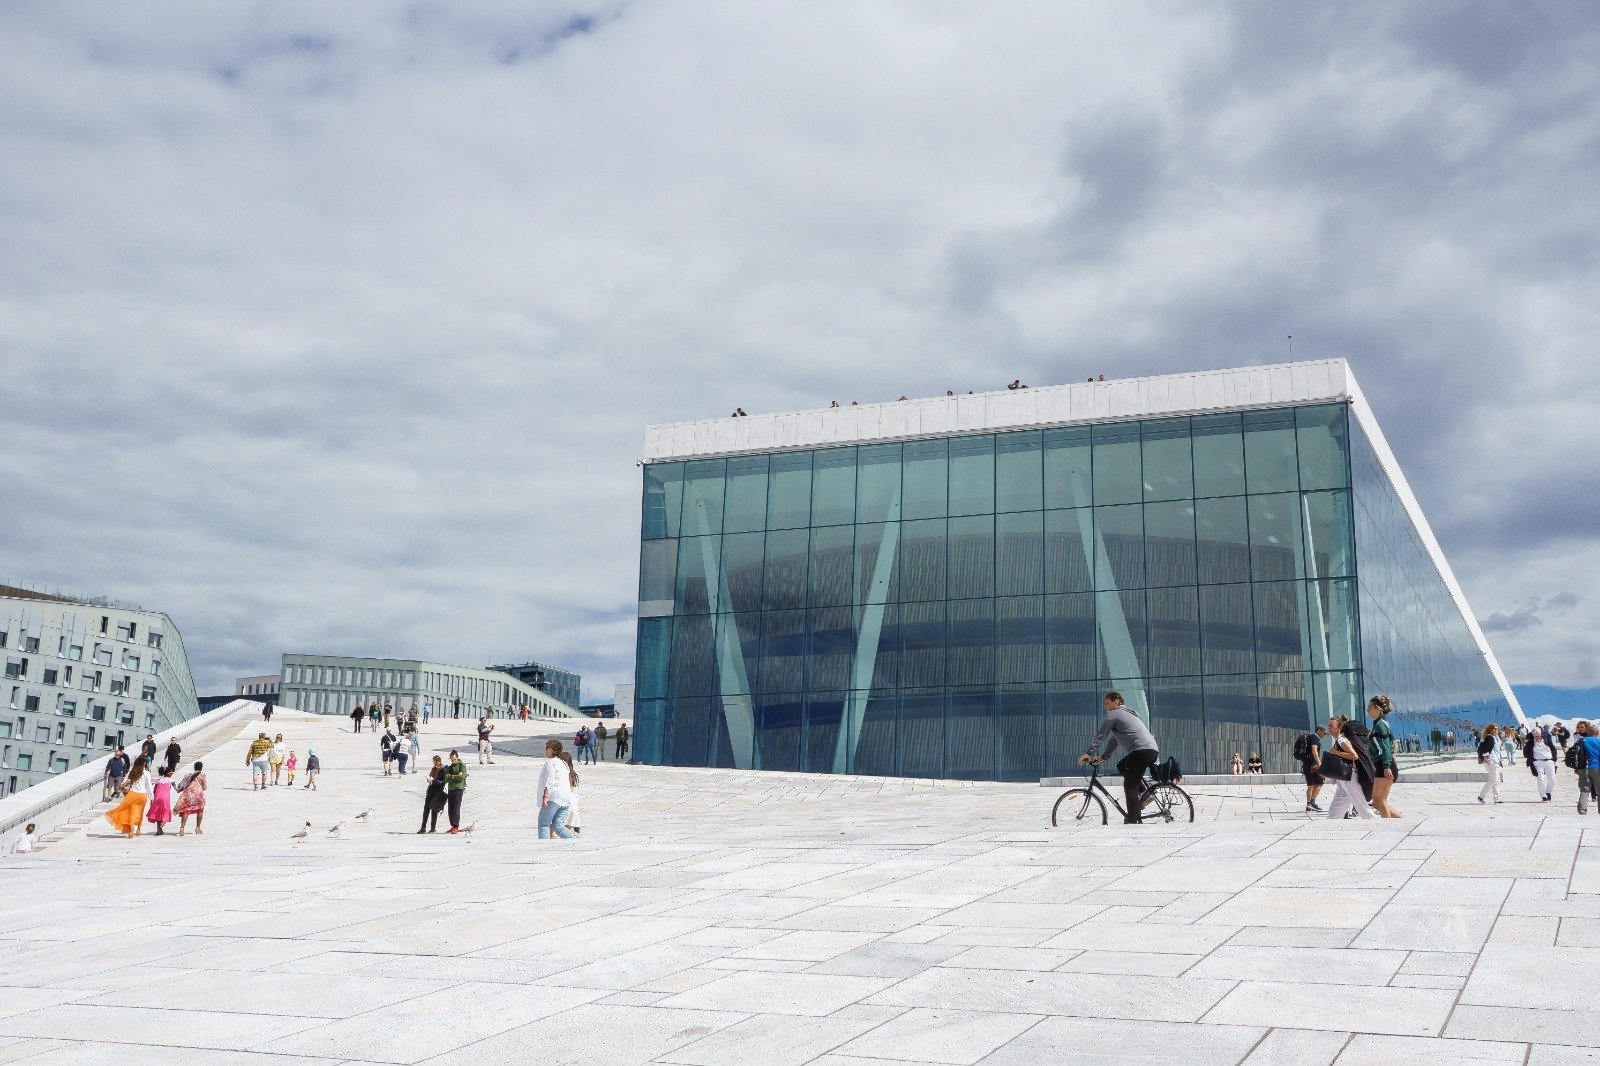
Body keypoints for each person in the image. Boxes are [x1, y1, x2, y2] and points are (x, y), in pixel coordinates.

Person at [1078, 691, 1159, 825]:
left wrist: (1088, 753)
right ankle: (1145, 795)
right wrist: (1105, 756)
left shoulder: (1114, 714)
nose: (1105, 706)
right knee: (1122, 766)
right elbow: (1114, 740)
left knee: (1130, 787)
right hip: (1151, 750)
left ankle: (1132, 820)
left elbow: (1101, 735)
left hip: (1140, 751)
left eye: (1107, 703)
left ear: (1116, 702)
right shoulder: (1129, 714)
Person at [1324, 716, 1378, 820]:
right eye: (1328, 725)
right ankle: (1330, 829)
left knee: (1363, 808)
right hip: (1344, 779)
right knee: (1334, 810)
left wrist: (1336, 752)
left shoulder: (1341, 740)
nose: (1329, 727)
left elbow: (1354, 756)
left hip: (1349, 779)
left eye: (1331, 725)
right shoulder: (1339, 740)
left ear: (1339, 727)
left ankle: (1378, 827)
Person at [1367, 696, 1401, 818]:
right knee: (1377, 803)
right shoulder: (1379, 724)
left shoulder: (1380, 725)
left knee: (1379, 802)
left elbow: (1386, 746)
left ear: (1378, 708)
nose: (1368, 710)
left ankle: (1388, 830)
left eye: (1370, 707)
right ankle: (1403, 823)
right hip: (1382, 766)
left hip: (1384, 766)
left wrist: (1387, 766)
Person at [537, 739, 575, 840]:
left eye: (547, 747)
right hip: (565, 798)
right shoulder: (563, 763)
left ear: (553, 749)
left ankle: (543, 849)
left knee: (543, 825)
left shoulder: (551, 762)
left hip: (553, 797)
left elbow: (550, 781)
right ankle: (574, 842)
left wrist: (545, 797)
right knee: (559, 826)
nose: (545, 750)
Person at [106, 757, 151, 837]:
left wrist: (127, 784)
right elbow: (149, 787)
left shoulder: (131, 772)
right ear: (144, 764)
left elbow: (123, 784)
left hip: (132, 794)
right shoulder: (147, 773)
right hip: (142, 795)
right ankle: (139, 829)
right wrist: (152, 798)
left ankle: (130, 830)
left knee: (130, 811)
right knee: (140, 812)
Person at [1297, 725, 1328, 812]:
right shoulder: (1315, 737)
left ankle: (1308, 805)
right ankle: (1312, 803)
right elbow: (1314, 750)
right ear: (1319, 731)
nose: (1324, 735)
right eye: (1324, 733)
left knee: (1310, 785)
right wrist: (1319, 762)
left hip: (1306, 764)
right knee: (1319, 783)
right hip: (1313, 765)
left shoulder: (1310, 737)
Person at [1526, 727, 1557, 801]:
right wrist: (1532, 762)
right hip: (1538, 762)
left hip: (1549, 761)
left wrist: (1554, 758)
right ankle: (1543, 796)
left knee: (1552, 779)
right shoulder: (1530, 742)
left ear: (1541, 734)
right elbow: (1526, 753)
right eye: (1535, 735)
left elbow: (1553, 749)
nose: (1536, 736)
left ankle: (1548, 792)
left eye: (1538, 734)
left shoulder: (1546, 740)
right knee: (1540, 779)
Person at [176, 761, 207, 835]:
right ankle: (198, 828)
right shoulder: (202, 775)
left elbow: (181, 784)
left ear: (194, 767)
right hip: (198, 796)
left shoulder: (188, 775)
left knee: (186, 811)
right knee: (200, 811)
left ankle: (182, 828)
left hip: (188, 795)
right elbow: (205, 787)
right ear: (201, 768)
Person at [418, 756, 447, 833]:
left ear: (439, 761)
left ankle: (433, 828)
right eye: (433, 762)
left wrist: (434, 781)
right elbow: (431, 777)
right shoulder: (433, 769)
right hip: (430, 790)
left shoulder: (443, 770)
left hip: (437, 792)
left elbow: (443, 783)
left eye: (435, 762)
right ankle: (423, 827)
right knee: (426, 809)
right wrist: (429, 779)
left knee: (434, 809)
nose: (434, 763)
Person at [1477, 724, 1503, 804]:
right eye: (1494, 729)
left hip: (1495, 760)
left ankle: (1497, 799)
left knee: (1497, 780)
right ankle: (1481, 796)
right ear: (1490, 729)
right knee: (1494, 779)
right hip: (1490, 760)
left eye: (1497, 729)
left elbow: (1497, 751)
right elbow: (1486, 748)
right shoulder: (1489, 737)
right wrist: (1485, 758)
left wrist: (1500, 760)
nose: (1496, 730)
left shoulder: (1496, 738)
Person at [444, 750, 468, 833]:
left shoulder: (462, 766)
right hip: (451, 789)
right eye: (452, 760)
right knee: (450, 808)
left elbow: (461, 778)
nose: (453, 761)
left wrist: (452, 777)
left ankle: (456, 826)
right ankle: (452, 825)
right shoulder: (450, 767)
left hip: (459, 789)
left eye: (454, 759)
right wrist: (456, 776)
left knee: (456, 808)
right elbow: (446, 779)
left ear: (457, 757)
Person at [147, 766, 175, 836]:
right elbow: (177, 789)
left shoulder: (158, 780)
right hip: (165, 799)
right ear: (168, 773)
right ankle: (160, 827)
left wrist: (152, 799)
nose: (172, 774)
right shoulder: (170, 780)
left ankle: (159, 830)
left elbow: (154, 790)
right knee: (166, 813)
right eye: (171, 773)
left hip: (157, 799)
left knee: (158, 814)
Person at [1580, 723, 1600, 815]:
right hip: (1597, 768)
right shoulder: (1599, 742)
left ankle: (1582, 810)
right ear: (1597, 733)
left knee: (1584, 790)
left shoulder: (1582, 741)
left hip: (1584, 768)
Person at [566, 769, 582, 836]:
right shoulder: (573, 774)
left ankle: (581, 839)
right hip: (574, 809)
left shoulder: (565, 773)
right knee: (571, 829)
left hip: (568, 807)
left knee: (568, 829)